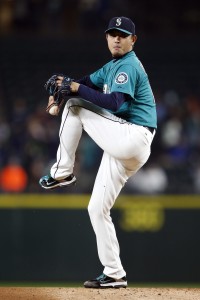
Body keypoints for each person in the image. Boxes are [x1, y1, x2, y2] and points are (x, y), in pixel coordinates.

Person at [39, 16, 157, 288]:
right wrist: (60, 90)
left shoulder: (128, 65)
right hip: (126, 144)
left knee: (75, 106)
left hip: (132, 135)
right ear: (106, 38)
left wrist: (73, 92)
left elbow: (114, 102)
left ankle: (63, 172)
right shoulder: (111, 67)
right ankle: (115, 273)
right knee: (96, 208)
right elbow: (83, 83)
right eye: (112, 34)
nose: (117, 38)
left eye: (122, 34)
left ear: (133, 40)